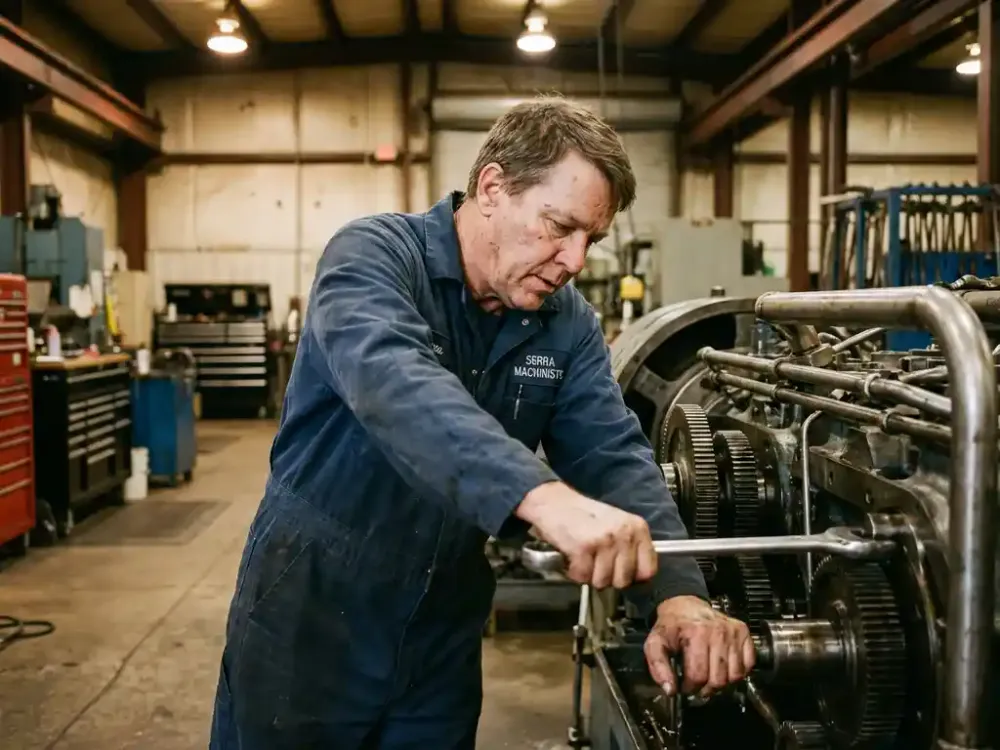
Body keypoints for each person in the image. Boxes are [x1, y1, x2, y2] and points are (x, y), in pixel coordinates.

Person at [209, 96, 754, 750]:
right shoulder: (375, 257)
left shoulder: (567, 322)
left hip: (443, 625)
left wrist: (676, 593)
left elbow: (612, 454)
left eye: (592, 239)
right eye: (559, 226)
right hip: (313, 608)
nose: (575, 260)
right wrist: (542, 496)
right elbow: (395, 383)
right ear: (493, 187)